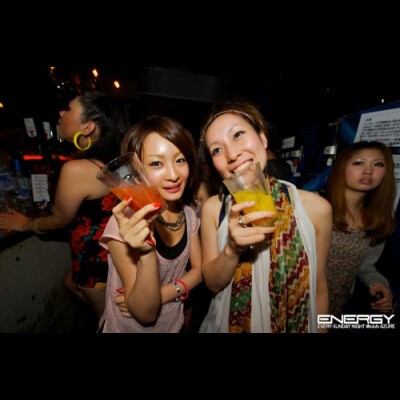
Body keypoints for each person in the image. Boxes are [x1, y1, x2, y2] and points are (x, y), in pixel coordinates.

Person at [198, 99, 332, 333]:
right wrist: (232, 249)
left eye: (238, 134)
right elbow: (212, 284)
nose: (232, 153)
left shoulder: (317, 208)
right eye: (217, 149)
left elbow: (319, 290)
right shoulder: (213, 208)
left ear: (262, 138)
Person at [0, 91, 134, 317]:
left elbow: (61, 219)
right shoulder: (113, 162)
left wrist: (24, 225)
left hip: (95, 262)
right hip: (115, 254)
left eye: (70, 109)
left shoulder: (77, 169)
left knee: (111, 323)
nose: (61, 113)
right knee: (70, 284)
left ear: (88, 127)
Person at [99, 115, 202, 332]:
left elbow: (199, 270)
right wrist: (146, 254)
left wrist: (163, 295)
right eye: (156, 163)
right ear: (134, 172)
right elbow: (145, 314)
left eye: (180, 160)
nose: (173, 175)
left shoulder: (188, 214)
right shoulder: (125, 224)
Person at [325, 141, 395, 318]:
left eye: (378, 164)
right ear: (342, 167)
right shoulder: (318, 206)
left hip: (336, 304)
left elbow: (365, 265)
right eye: (359, 163)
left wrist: (378, 283)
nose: (368, 171)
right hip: (298, 297)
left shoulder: (378, 217)